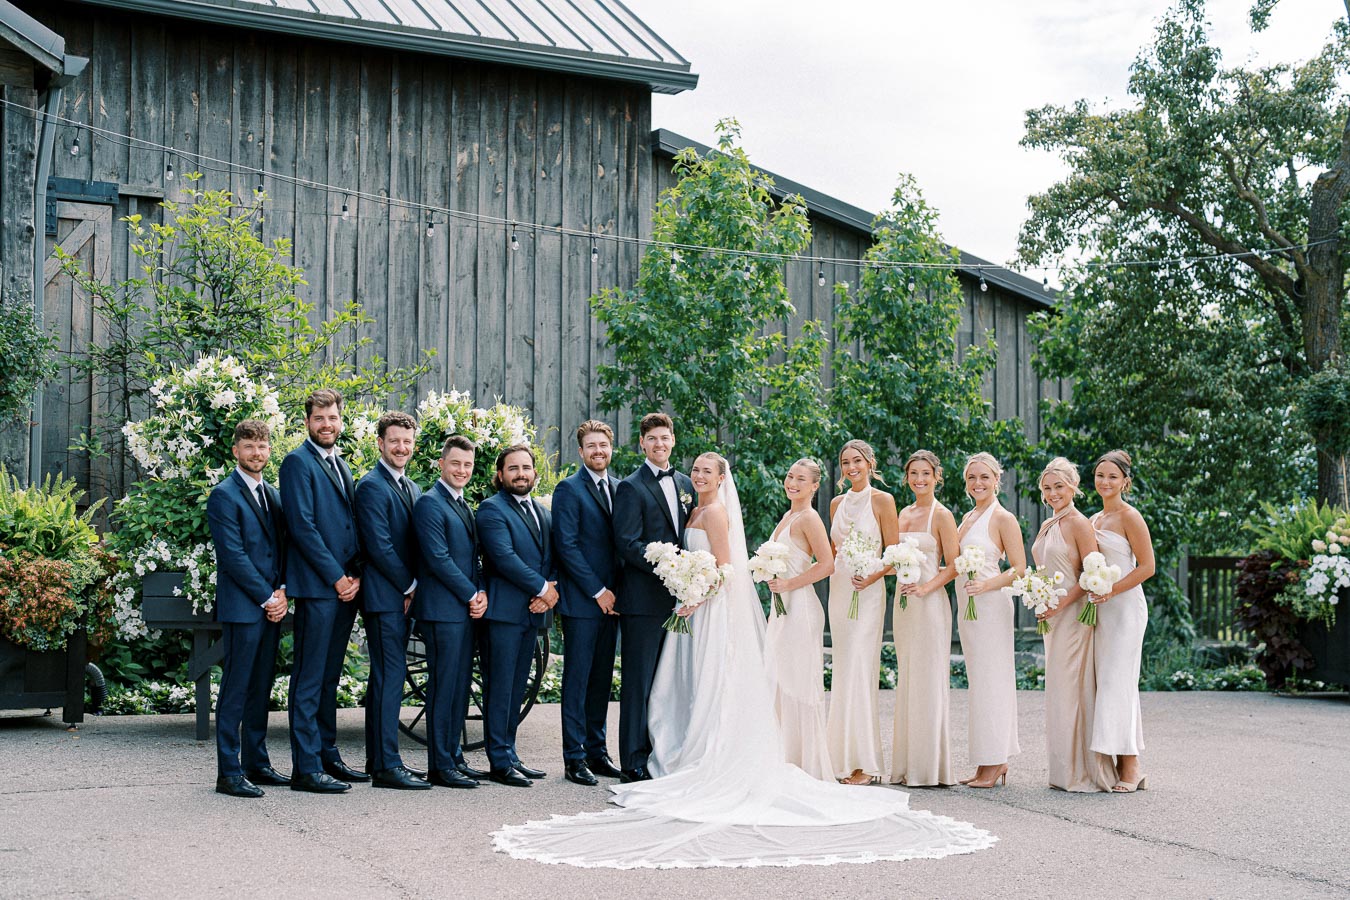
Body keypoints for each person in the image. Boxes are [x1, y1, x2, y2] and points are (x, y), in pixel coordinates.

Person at [492, 454, 996, 869]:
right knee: (686, 684)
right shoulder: (694, 509)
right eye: (698, 471)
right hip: (696, 607)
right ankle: (682, 751)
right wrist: (687, 585)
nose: (701, 477)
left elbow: (729, 568)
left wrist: (697, 590)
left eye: (709, 472)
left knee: (725, 683)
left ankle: (723, 756)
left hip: (714, 609)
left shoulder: (722, 514)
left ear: (722, 478)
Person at [279, 388, 365, 793]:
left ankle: (328, 755)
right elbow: (303, 528)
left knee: (330, 676)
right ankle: (306, 768)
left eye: (332, 418)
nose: (326, 425)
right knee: (310, 678)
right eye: (319, 418)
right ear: (307, 422)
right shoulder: (297, 463)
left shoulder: (341, 464)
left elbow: (351, 525)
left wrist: (356, 575)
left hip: (345, 588)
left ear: (340, 420)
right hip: (318, 588)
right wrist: (336, 577)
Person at [611, 412, 695, 783]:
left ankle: (667, 752)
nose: (660, 444)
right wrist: (669, 569)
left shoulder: (686, 483)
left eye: (665, 438)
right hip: (644, 601)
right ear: (642, 444)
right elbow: (627, 543)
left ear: (673, 440)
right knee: (639, 681)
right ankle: (632, 759)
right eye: (653, 439)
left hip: (682, 601)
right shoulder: (631, 486)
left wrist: (690, 580)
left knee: (672, 682)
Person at [207, 419, 289, 798]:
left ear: (269, 450)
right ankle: (229, 771)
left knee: (261, 687)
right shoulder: (224, 495)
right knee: (236, 688)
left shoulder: (271, 493)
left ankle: (257, 762)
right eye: (249, 446)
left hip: (271, 603)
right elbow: (233, 556)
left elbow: (282, 548)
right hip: (244, 607)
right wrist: (266, 597)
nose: (257, 453)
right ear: (235, 451)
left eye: (262, 446)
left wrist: (283, 591)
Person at [353, 411, 429, 790]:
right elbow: (379, 547)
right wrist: (409, 586)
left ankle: (376, 760)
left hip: (401, 596)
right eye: (394, 441)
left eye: (407, 442)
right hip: (385, 598)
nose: (401, 447)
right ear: (380, 443)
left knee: (387, 678)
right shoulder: (370, 486)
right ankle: (386, 765)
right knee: (388, 677)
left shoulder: (411, 488)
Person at [1032, 457, 1117, 793]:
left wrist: (1058, 604)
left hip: (1073, 616)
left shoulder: (1080, 523)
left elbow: (1088, 574)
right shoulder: (1049, 523)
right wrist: (1038, 597)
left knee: (1071, 691)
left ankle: (1079, 770)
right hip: (1052, 616)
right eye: (1048, 488)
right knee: (1057, 691)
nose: (1053, 493)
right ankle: (1061, 769)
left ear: (1073, 487)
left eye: (1059, 487)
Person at [476, 444, 557, 787]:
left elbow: (552, 556)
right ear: (500, 474)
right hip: (505, 613)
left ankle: (510, 753)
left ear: (535, 473)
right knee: (500, 687)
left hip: (532, 614)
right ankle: (498, 760)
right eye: (513, 468)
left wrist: (550, 590)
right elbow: (504, 557)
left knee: (517, 688)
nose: (521, 473)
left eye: (526, 467)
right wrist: (542, 588)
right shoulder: (491, 510)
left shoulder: (542, 512)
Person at [550, 420, 624, 786]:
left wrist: (617, 593)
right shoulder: (569, 490)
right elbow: (567, 546)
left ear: (611, 449)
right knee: (577, 681)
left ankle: (598, 753)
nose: (598, 451)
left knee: (601, 681)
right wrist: (597, 590)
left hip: (613, 604)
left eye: (603, 445)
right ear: (581, 452)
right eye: (591, 446)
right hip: (583, 602)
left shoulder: (619, 488)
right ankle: (574, 758)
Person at [411, 435, 487, 789]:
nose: (462, 470)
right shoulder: (430, 503)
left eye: (467, 465)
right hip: (441, 611)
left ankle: (454, 757)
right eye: (456, 463)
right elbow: (437, 559)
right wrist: (472, 593)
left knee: (458, 687)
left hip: (463, 610)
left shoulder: (462, 503)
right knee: (443, 688)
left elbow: (472, 559)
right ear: (441, 464)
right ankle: (439, 765)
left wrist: (480, 591)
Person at [825, 439, 898, 785]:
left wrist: (871, 576)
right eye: (845, 462)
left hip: (868, 593)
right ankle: (843, 758)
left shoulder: (883, 501)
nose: (851, 467)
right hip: (841, 591)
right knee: (844, 669)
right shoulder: (836, 503)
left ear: (870, 463)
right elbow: (832, 551)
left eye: (857, 460)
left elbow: (894, 555)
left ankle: (867, 764)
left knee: (859, 666)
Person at [953, 452, 1025, 789]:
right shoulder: (967, 517)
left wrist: (986, 584)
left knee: (993, 680)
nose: (978, 483)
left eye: (985, 477)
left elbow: (1020, 568)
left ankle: (997, 761)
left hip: (991, 605)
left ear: (997, 480)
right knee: (979, 682)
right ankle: (986, 759)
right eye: (972, 478)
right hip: (968, 607)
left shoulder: (1002, 518)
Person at [763, 458, 835, 781]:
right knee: (780, 679)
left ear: (814, 486)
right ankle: (783, 757)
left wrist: (789, 584)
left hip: (801, 609)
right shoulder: (787, 516)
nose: (792, 482)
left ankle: (807, 765)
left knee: (799, 682)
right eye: (790, 476)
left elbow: (827, 564)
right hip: (781, 608)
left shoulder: (810, 518)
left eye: (801, 479)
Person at [889, 450, 958, 788]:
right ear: (907, 477)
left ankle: (929, 768)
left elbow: (955, 564)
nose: (919, 479)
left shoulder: (942, 515)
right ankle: (906, 765)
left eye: (925, 473)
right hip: (903, 605)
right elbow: (892, 557)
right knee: (909, 678)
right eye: (913, 473)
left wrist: (926, 588)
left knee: (928, 679)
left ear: (936, 476)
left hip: (929, 605)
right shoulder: (903, 512)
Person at [1088, 450, 1154, 792]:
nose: (1105, 482)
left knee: (1120, 682)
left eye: (1112, 477)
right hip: (1101, 608)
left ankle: (1131, 764)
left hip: (1125, 607)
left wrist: (1111, 590)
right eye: (1100, 475)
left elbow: (1147, 567)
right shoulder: (1094, 519)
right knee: (1106, 682)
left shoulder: (1131, 516)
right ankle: (1114, 760)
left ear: (1125, 482)